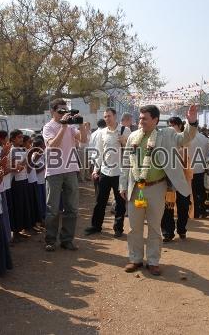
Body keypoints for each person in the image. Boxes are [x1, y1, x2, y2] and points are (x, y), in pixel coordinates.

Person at [119, 104, 198, 276]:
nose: (141, 121)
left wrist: (191, 122)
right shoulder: (133, 136)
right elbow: (125, 163)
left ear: (155, 120)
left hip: (156, 188)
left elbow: (185, 138)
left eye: (145, 118)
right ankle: (135, 259)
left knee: (155, 227)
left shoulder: (167, 134)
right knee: (134, 228)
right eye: (140, 118)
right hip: (135, 189)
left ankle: (153, 261)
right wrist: (122, 185)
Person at [42, 98, 88, 252]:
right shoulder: (48, 127)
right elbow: (52, 145)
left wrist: (81, 124)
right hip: (54, 172)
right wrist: (63, 125)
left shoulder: (69, 127)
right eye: (60, 110)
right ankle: (50, 240)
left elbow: (83, 139)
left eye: (65, 110)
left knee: (72, 208)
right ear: (52, 111)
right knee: (53, 209)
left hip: (70, 170)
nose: (63, 113)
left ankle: (67, 240)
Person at [85, 108, 130, 237]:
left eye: (109, 116)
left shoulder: (125, 130)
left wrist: (123, 142)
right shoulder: (102, 133)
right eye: (105, 117)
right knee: (100, 201)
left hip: (120, 173)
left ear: (115, 116)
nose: (107, 119)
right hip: (105, 171)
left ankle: (118, 228)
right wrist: (95, 170)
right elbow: (99, 152)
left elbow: (132, 151)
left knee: (120, 202)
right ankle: (96, 226)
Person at [161, 117, 193, 241]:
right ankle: (168, 233)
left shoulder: (185, 140)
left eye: (173, 125)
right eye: (169, 124)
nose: (171, 127)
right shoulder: (164, 139)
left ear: (180, 126)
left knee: (183, 206)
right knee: (167, 207)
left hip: (183, 177)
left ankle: (182, 229)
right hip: (168, 179)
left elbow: (188, 161)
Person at [188, 127, 209, 218]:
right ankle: (203, 210)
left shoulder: (186, 138)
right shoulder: (204, 138)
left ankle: (194, 212)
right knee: (201, 192)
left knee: (191, 192)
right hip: (201, 169)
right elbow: (208, 154)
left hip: (189, 169)